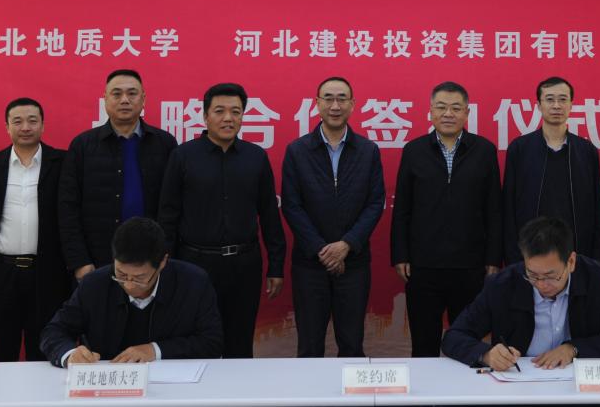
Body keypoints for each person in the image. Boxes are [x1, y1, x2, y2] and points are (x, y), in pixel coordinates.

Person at [158, 82, 286, 358]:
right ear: (205, 116)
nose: (228, 118)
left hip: (244, 264)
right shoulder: (183, 156)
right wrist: (166, 264)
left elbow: (269, 215)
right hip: (195, 263)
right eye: (219, 111)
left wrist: (276, 266)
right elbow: (168, 215)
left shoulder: (256, 157)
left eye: (235, 112)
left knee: (240, 344)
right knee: (196, 340)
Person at [390, 81, 502, 357]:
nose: (448, 114)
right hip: (422, 266)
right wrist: (400, 255)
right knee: (423, 344)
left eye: (455, 108)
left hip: (470, 265)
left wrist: (493, 258)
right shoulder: (414, 150)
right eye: (441, 107)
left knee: (467, 343)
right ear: (430, 112)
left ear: (467, 113)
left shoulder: (484, 151)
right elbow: (402, 208)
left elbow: (493, 209)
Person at [441, 216, 600, 370]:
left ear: (571, 262)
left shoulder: (594, 279)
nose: (541, 285)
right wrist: (486, 354)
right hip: (520, 382)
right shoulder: (502, 285)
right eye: (532, 275)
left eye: (551, 276)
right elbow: (454, 336)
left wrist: (573, 349)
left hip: (573, 380)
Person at [281, 76, 384, 357]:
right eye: (328, 98)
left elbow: (375, 203)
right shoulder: (297, 151)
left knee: (351, 344)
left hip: (354, 264)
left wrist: (346, 245)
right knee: (309, 346)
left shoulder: (368, 151)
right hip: (309, 266)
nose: (335, 106)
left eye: (341, 99)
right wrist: (322, 250)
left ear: (353, 104)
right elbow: (292, 205)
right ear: (317, 104)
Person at [40, 217, 223, 366]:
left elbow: (212, 342)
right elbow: (54, 331)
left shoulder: (193, 283)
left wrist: (155, 350)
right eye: (121, 274)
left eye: (139, 278)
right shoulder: (94, 285)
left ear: (162, 263)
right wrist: (70, 354)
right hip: (110, 386)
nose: (128, 285)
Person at [0, 97, 71, 361]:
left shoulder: (63, 163)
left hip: (48, 273)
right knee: (1, 352)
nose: (25, 127)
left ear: (43, 125)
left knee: (45, 353)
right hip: (2, 273)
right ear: (7, 127)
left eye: (32, 121)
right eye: (17, 121)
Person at [59, 69, 178, 281]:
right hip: (98, 259)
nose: (124, 100)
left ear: (143, 99)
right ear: (105, 99)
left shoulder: (165, 143)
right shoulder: (83, 145)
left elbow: (173, 207)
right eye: (116, 94)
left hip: (151, 257)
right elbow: (68, 207)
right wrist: (79, 261)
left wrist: (165, 254)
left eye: (132, 93)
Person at [503, 76, 600, 264]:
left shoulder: (586, 151)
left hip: (576, 253)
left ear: (571, 105)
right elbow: (508, 208)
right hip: (530, 253)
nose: (556, 105)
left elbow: (597, 209)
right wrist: (513, 256)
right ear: (538, 105)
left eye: (563, 99)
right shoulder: (520, 149)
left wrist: (597, 259)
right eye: (550, 99)